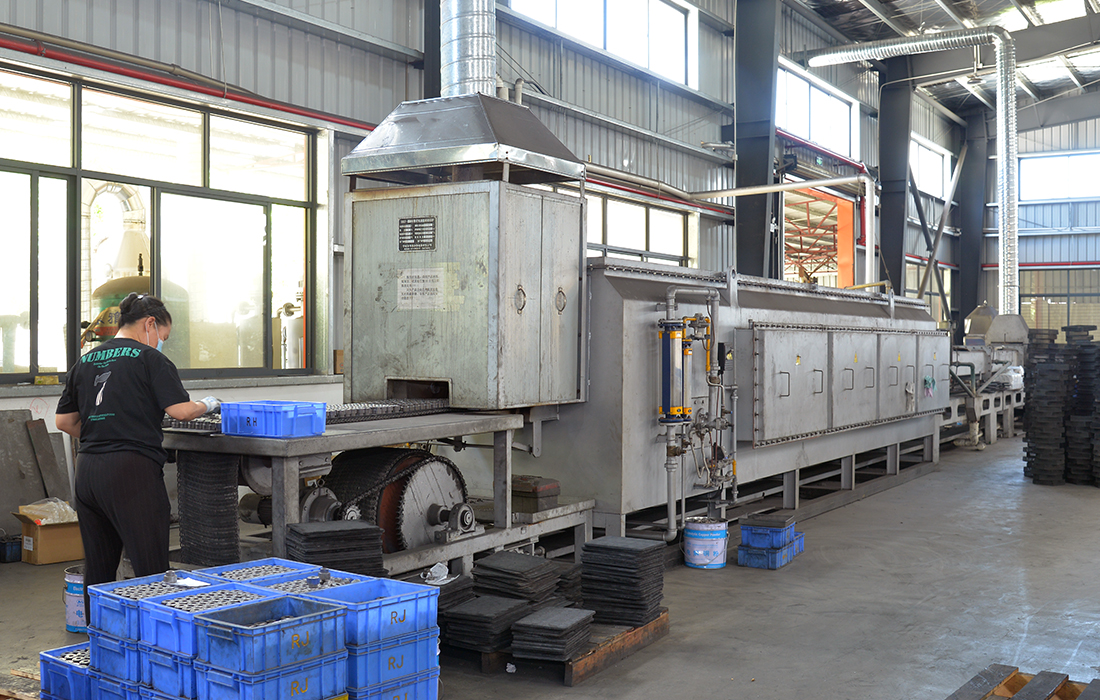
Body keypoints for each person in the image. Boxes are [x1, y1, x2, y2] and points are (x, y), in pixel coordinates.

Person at [55, 292, 220, 617]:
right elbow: (181, 411)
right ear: (150, 324)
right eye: (163, 336)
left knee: (99, 569)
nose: (161, 342)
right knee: (150, 568)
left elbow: (64, 421)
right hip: (130, 473)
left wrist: (103, 432)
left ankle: (100, 638)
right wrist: (209, 404)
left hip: (88, 472)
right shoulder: (150, 359)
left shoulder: (84, 361)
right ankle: (155, 641)